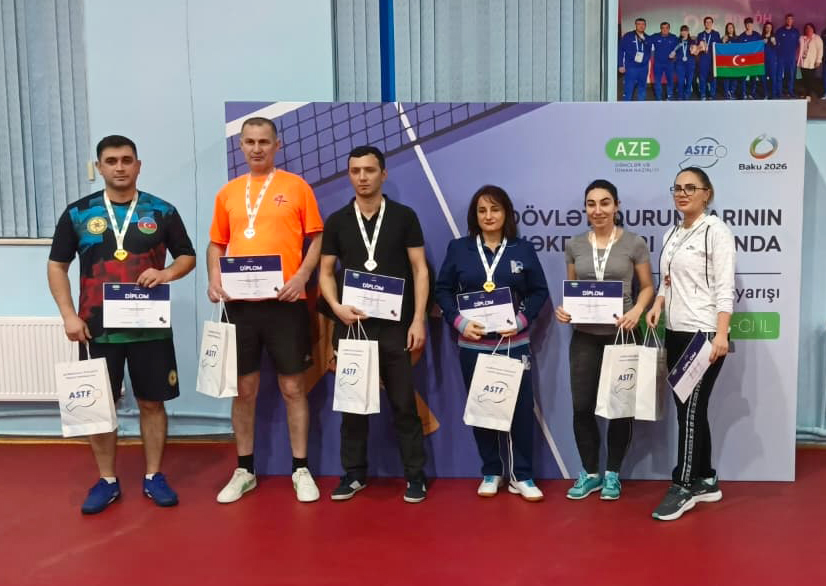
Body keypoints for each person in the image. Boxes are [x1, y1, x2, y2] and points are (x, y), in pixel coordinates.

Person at [47, 135, 196, 514]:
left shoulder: (161, 211)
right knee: (100, 406)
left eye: (127, 160)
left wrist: (166, 273)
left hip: (150, 327)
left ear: (138, 165)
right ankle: (107, 480)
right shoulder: (78, 213)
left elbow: (187, 256)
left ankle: (153, 475)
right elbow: (57, 266)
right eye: (111, 161)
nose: (119, 167)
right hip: (95, 329)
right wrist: (68, 315)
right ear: (99, 167)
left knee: (152, 402)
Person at [207, 117, 324, 504]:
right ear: (240, 145)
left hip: (285, 305)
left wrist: (302, 277)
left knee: (293, 388)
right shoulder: (227, 193)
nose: (256, 148)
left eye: (264, 141)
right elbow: (216, 244)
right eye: (250, 142)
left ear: (277, 145)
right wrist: (213, 279)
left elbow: (316, 238)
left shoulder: (297, 187)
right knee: (244, 391)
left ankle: (300, 469)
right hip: (240, 307)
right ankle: (245, 470)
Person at [318, 145, 429, 503]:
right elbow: (325, 272)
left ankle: (415, 476)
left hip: (396, 328)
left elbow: (420, 269)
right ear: (349, 175)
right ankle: (354, 474)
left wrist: (418, 320)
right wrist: (336, 307)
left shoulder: (404, 217)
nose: (362, 177)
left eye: (369, 170)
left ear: (383, 173)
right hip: (353, 327)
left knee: (404, 405)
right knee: (353, 407)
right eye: (355, 171)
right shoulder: (337, 221)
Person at [435, 185, 549, 501]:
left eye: (495, 209)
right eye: (482, 210)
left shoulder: (522, 249)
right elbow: (442, 290)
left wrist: (522, 320)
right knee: (483, 408)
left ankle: (522, 476)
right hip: (474, 346)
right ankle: (492, 471)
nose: (488, 216)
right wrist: (459, 322)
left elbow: (539, 291)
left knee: (520, 411)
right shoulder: (459, 249)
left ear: (506, 214)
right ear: (475, 216)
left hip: (514, 344)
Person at [646, 167, 735, 522]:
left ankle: (682, 486)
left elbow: (725, 288)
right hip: (676, 332)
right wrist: (658, 303)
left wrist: (721, 334)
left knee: (691, 411)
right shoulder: (671, 232)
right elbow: (667, 281)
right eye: (678, 188)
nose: (682, 193)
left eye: (690, 188)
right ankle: (706, 479)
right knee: (690, 410)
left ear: (706, 193)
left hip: (704, 335)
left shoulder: (716, 231)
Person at [554, 180, 653, 501]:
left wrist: (637, 310)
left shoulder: (634, 243)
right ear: (586, 208)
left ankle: (612, 474)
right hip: (585, 336)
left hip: (623, 335)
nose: (598, 210)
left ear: (616, 206)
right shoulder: (574, 245)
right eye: (591, 204)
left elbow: (647, 287)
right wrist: (565, 310)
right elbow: (572, 288)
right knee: (581, 406)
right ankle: (590, 473)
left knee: (620, 407)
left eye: (605, 203)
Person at [618, 18, 652, 101]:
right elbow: (621, 50)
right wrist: (620, 65)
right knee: (628, 88)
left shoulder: (648, 38)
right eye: (639, 24)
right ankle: (626, 106)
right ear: (635, 25)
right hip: (631, 67)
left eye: (643, 24)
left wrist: (645, 61)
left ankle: (641, 106)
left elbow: (649, 52)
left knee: (642, 88)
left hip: (643, 68)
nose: (641, 26)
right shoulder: (628, 36)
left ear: (645, 26)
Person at [651, 22, 679, 100]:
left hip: (669, 63)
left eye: (666, 28)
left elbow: (678, 48)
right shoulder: (655, 36)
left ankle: (669, 97)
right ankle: (658, 98)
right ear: (660, 29)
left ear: (669, 29)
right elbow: (646, 40)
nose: (665, 29)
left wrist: (675, 55)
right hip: (658, 64)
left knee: (670, 81)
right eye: (663, 28)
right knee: (657, 81)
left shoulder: (673, 37)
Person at [775, 13, 800, 98]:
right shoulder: (780, 31)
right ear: (785, 20)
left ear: (793, 21)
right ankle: (779, 92)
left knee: (791, 75)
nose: (789, 21)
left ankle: (790, 91)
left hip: (791, 57)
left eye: (791, 19)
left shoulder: (795, 31)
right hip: (781, 57)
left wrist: (795, 55)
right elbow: (775, 44)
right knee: (779, 75)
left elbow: (798, 44)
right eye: (788, 19)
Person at [697, 17, 722, 100]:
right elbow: (698, 48)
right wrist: (701, 47)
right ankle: (703, 94)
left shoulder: (716, 34)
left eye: (710, 22)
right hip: (703, 58)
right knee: (702, 77)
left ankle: (712, 94)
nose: (708, 24)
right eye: (706, 22)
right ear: (704, 24)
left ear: (712, 23)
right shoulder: (700, 35)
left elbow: (719, 46)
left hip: (713, 59)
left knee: (713, 77)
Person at [798, 23, 824, 101]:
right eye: (807, 28)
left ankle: (809, 94)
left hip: (812, 62)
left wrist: (818, 60)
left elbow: (820, 50)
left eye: (810, 28)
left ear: (813, 29)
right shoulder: (802, 38)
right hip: (803, 62)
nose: (808, 30)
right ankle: (805, 92)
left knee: (810, 79)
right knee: (804, 79)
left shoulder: (817, 38)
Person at [738, 18, 763, 99]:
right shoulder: (741, 36)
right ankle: (743, 93)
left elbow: (761, 47)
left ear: (752, 25)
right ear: (745, 25)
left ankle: (752, 93)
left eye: (750, 24)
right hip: (744, 61)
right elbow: (739, 49)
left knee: (753, 78)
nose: (749, 25)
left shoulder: (757, 35)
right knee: (743, 78)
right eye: (747, 24)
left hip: (754, 61)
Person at [674, 25, 698, 100]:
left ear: (688, 32)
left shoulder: (692, 41)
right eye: (682, 31)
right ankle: (680, 96)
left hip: (690, 64)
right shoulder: (677, 41)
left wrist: (694, 50)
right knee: (680, 81)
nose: (684, 32)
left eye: (685, 30)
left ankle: (687, 95)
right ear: (680, 32)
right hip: (680, 64)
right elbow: (674, 51)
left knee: (689, 81)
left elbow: (696, 52)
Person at [721, 23, 740, 99]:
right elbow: (721, 49)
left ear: (733, 28)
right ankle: (726, 93)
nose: (730, 29)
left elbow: (741, 48)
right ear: (726, 29)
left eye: (731, 27)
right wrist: (723, 42)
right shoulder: (724, 38)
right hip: (727, 61)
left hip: (736, 61)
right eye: (728, 28)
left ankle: (732, 92)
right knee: (727, 77)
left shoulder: (737, 38)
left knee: (734, 78)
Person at [761, 22, 778, 99]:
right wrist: (762, 43)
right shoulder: (761, 38)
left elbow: (778, 49)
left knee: (773, 78)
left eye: (770, 27)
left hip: (772, 61)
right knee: (763, 79)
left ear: (772, 29)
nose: (768, 29)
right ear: (765, 28)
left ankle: (773, 94)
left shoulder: (774, 37)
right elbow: (757, 49)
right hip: (763, 61)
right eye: (767, 27)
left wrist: (774, 43)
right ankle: (766, 94)